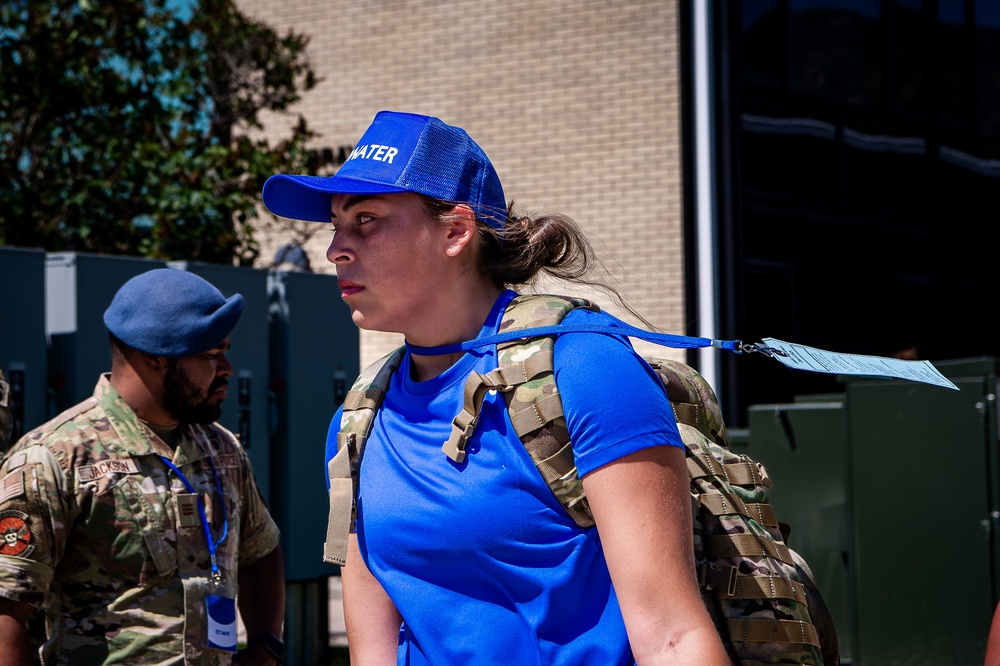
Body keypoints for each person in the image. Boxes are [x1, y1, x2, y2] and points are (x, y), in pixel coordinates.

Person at [262, 110, 732, 664]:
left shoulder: (584, 368)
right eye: (336, 225)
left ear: (456, 232)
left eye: (365, 219)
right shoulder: (358, 421)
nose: (335, 249)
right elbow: (374, 653)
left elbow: (674, 638)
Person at [0, 268, 285, 666]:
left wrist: (265, 648)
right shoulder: (54, 457)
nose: (228, 369)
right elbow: (6, 612)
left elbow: (261, 549)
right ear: (154, 356)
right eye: (211, 354)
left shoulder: (220, 447)